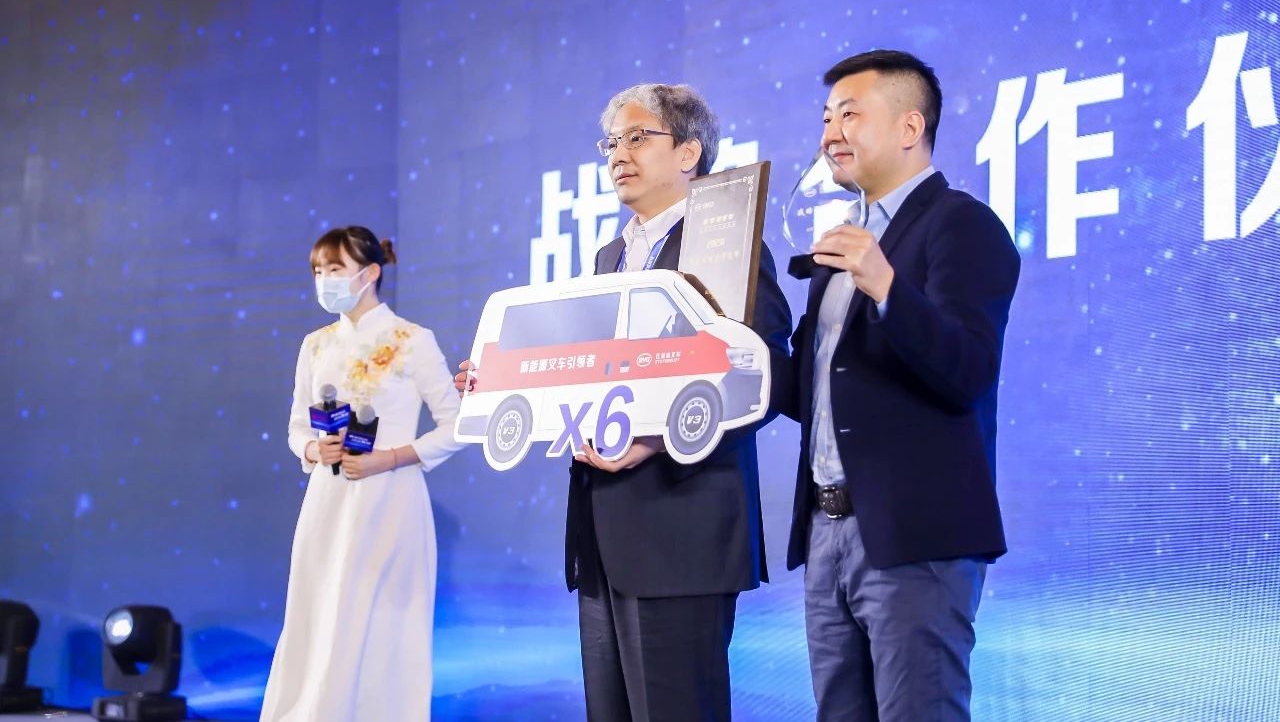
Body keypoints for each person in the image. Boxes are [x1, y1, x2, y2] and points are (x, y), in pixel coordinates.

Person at [457, 84, 792, 721]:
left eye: (638, 138)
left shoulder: (725, 244)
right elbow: (589, 371)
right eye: (612, 142)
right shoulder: (609, 257)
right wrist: (501, 380)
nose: (618, 155)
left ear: (689, 152)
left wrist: (657, 440)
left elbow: (766, 371)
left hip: (681, 527)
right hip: (603, 532)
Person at [783, 50, 1021, 721]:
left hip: (915, 537)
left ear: (910, 127)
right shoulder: (844, 244)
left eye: (849, 115)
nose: (831, 133)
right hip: (827, 530)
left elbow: (968, 368)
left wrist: (886, 283)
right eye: (826, 118)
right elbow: (812, 391)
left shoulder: (961, 223)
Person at [262, 226, 463, 722]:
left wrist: (389, 458)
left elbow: (458, 425)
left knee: (382, 621)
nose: (324, 280)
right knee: (318, 612)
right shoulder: (315, 345)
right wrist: (314, 447)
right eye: (318, 271)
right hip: (328, 502)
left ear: (370, 273)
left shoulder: (411, 341)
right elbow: (296, 426)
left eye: (335, 269)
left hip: (390, 501)